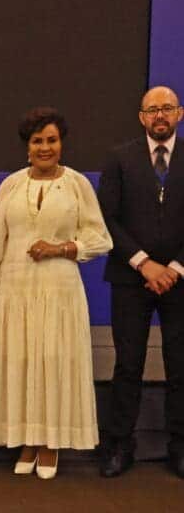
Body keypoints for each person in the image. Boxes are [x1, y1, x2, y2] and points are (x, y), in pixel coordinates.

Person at [0, 107, 112, 479]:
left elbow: (100, 239)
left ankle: (50, 444)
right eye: (37, 141)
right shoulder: (11, 185)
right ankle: (27, 440)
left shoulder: (77, 184)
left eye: (51, 140)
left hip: (59, 292)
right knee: (20, 362)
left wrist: (60, 248)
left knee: (54, 361)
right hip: (14, 291)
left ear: (61, 143)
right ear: (27, 147)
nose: (45, 147)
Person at [97, 86, 184, 478]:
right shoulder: (120, 158)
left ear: (179, 113)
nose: (159, 115)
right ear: (141, 117)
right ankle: (119, 445)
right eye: (152, 110)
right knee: (127, 364)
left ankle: (179, 447)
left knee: (180, 365)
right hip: (130, 278)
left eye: (167, 108)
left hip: (181, 280)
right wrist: (144, 264)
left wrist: (174, 269)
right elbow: (107, 218)